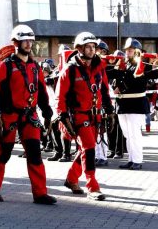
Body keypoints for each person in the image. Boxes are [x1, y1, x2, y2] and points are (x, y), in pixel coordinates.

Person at [0, 25, 57, 205]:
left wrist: (46, 109)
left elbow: (41, 90)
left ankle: (40, 193)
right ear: (16, 42)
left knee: (34, 154)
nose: (28, 44)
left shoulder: (34, 66)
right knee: (4, 152)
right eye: (25, 40)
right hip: (9, 116)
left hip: (29, 116)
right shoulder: (4, 66)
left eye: (30, 41)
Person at [55, 32, 114, 201]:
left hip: (95, 116)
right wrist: (63, 118)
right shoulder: (69, 70)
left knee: (84, 150)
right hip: (78, 117)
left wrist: (109, 110)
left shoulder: (100, 66)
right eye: (88, 47)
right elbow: (60, 97)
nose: (92, 50)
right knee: (88, 148)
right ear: (79, 48)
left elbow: (104, 89)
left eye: (93, 47)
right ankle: (92, 187)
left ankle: (71, 179)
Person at [106, 38, 158, 170]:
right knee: (127, 134)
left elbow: (136, 80)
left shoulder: (142, 64)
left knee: (134, 134)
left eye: (130, 50)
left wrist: (121, 87)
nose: (127, 53)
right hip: (123, 104)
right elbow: (116, 75)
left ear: (136, 51)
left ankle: (137, 160)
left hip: (136, 103)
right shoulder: (124, 64)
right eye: (126, 50)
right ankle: (131, 159)